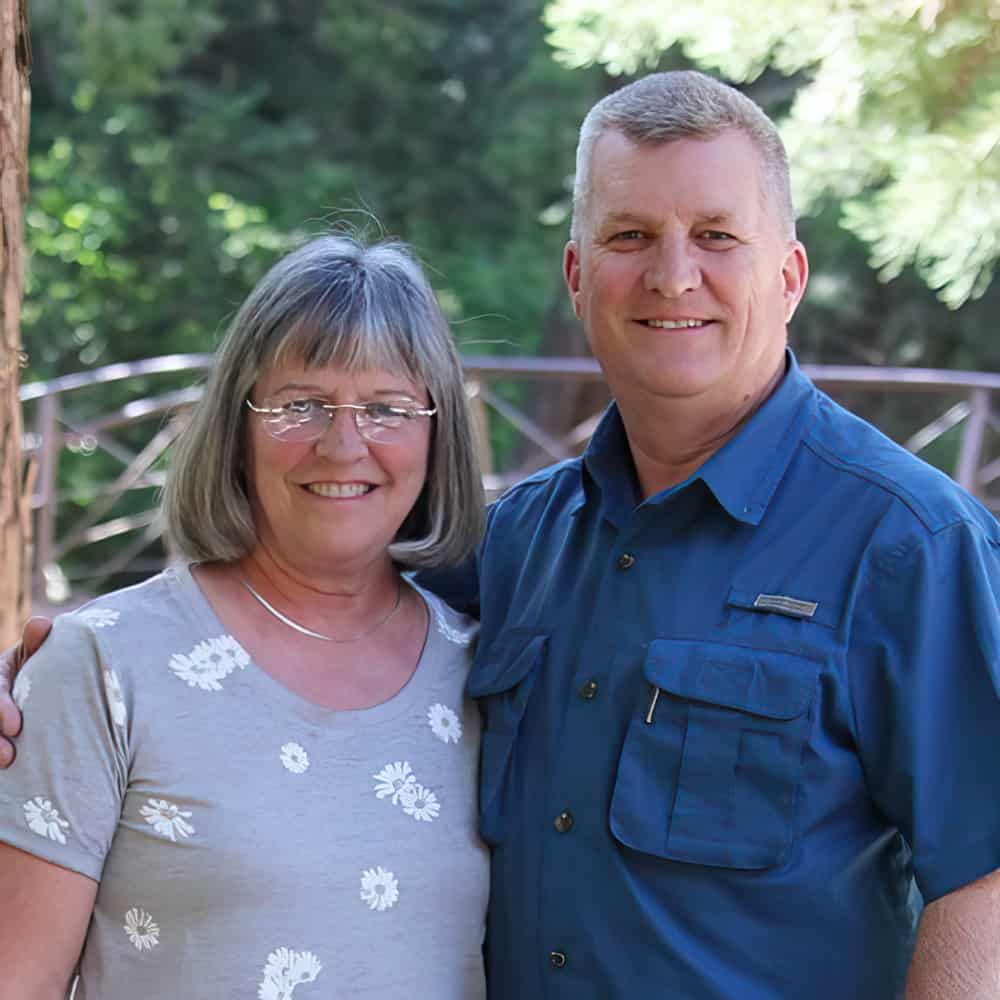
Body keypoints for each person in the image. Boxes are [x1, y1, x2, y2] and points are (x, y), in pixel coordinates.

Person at [4, 70, 1000, 1000]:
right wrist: (57, 674)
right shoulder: (520, 544)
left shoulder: (907, 544)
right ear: (576, 272)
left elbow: (984, 884)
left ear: (788, 273)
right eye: (629, 237)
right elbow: (308, 584)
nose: (671, 275)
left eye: (714, 236)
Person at [0, 233, 489, 998]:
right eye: (302, 404)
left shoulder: (487, 671)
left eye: (387, 408)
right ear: (237, 425)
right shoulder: (104, 668)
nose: (343, 443)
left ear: (437, 431)